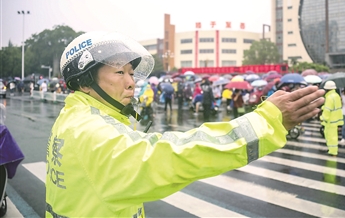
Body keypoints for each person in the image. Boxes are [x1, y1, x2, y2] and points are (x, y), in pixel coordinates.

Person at [45, 31, 325, 217]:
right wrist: (267, 120)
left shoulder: (74, 118)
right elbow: (173, 155)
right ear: (84, 80)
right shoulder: (89, 131)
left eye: (131, 72)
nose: (131, 82)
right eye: (119, 72)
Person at [320, 81, 343, 156]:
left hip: (330, 121)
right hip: (335, 119)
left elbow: (328, 110)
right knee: (333, 136)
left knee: (330, 136)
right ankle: (332, 150)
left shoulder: (329, 97)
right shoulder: (336, 95)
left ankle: (332, 151)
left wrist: (322, 118)